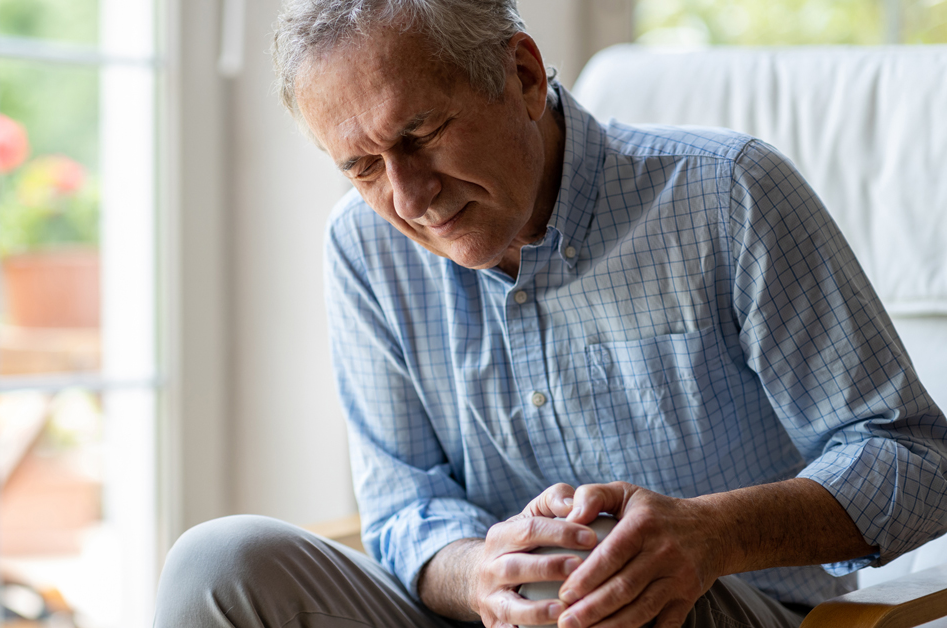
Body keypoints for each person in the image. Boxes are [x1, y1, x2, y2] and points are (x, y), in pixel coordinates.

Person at [154, 1, 947, 627]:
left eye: (421, 133)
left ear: (524, 76)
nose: (409, 197)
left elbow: (917, 462)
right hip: (495, 616)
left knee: (600, 574)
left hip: (717, 607)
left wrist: (710, 534)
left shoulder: (727, 195)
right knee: (219, 562)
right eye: (363, 167)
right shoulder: (365, 249)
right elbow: (404, 504)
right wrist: (481, 575)